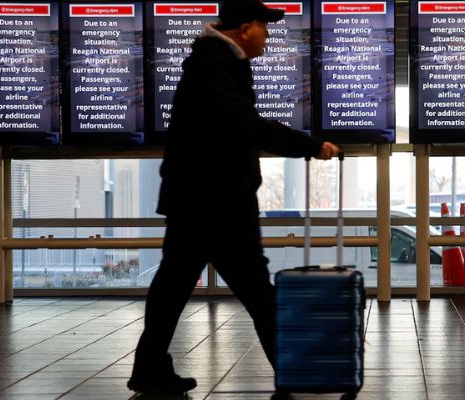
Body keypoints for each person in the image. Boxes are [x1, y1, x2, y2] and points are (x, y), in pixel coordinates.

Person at [127, 0, 340, 395]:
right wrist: (310, 146)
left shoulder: (214, 59)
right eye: (264, 26)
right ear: (245, 27)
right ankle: (293, 372)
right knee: (257, 291)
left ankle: (150, 370)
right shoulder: (216, 63)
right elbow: (244, 125)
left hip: (197, 198)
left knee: (173, 289)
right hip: (217, 201)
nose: (268, 35)